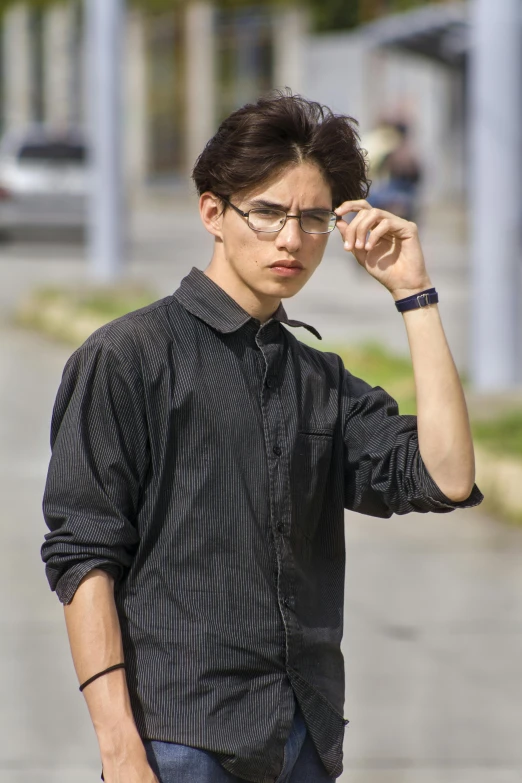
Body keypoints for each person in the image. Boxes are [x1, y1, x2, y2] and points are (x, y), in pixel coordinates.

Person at [41, 92, 482, 783]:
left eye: (312, 219)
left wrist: (415, 294)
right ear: (212, 212)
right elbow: (82, 555)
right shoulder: (127, 356)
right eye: (269, 212)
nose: (291, 240)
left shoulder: (320, 379)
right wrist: (120, 749)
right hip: (178, 740)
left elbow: (446, 476)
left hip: (301, 735)